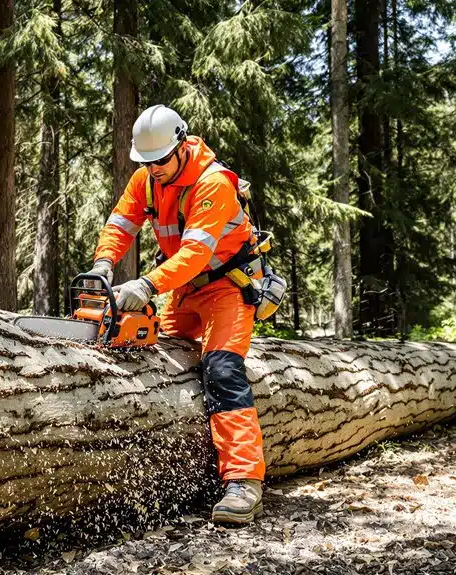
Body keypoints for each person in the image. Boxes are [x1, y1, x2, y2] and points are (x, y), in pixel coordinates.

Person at [88, 104, 265, 524]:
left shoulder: (212, 182)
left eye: (161, 160)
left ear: (181, 146)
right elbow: (121, 223)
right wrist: (103, 264)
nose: (155, 169)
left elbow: (195, 254)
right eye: (147, 162)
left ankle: (244, 481)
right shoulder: (146, 179)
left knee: (222, 369)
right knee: (158, 353)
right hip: (185, 289)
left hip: (228, 285)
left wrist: (147, 285)